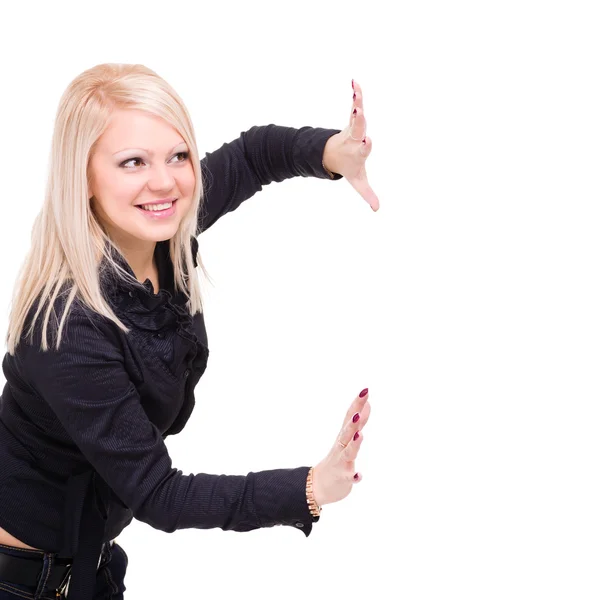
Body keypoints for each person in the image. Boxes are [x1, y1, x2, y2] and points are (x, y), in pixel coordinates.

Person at [0, 63, 377, 599]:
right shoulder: (68, 328)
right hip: (22, 579)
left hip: (86, 560)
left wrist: (329, 152)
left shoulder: (162, 228)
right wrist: (308, 487)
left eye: (177, 155)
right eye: (132, 162)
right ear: (81, 176)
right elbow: (160, 494)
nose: (165, 180)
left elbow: (251, 156)